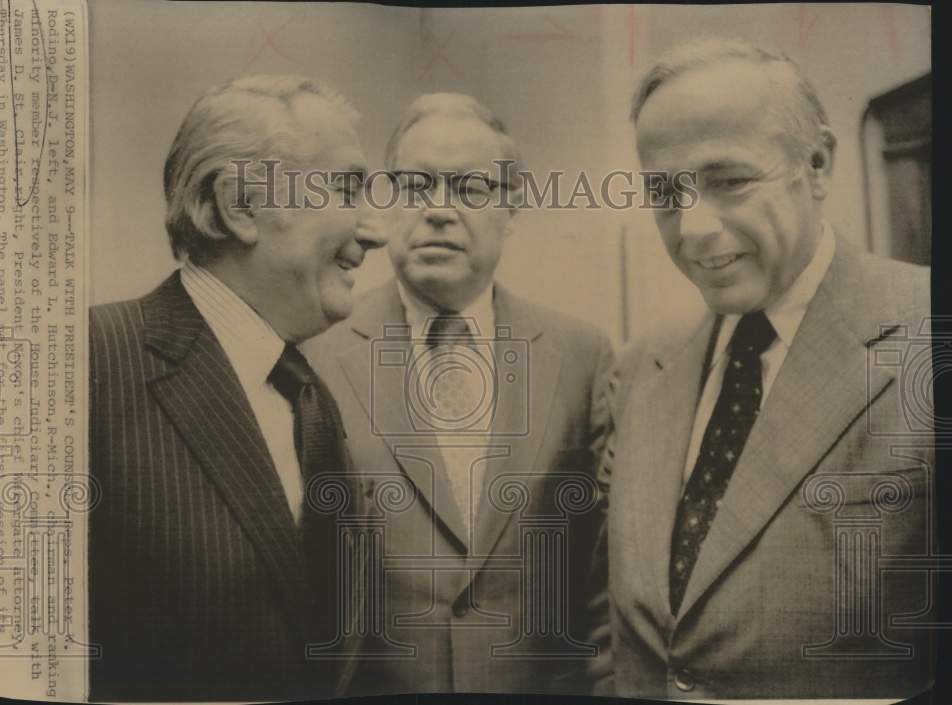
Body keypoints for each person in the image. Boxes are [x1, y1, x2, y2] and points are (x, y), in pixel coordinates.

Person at [599, 39, 934, 699]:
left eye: (728, 180)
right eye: (665, 191)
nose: (692, 228)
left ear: (817, 164)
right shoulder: (642, 365)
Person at [87, 75, 387, 701]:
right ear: (239, 207)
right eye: (346, 188)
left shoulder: (311, 400)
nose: (375, 229)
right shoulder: (87, 362)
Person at [304, 93, 614, 695]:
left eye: (470, 189)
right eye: (415, 186)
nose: (439, 211)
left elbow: (605, 578)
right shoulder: (317, 353)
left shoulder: (582, 355)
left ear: (511, 208)